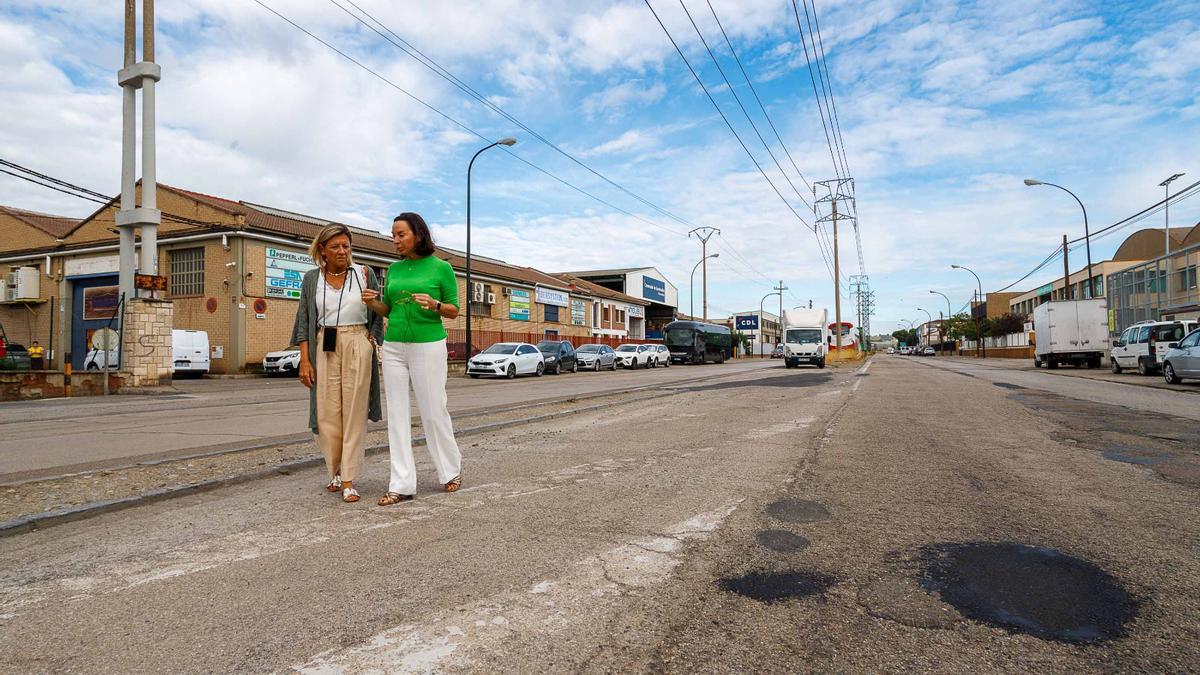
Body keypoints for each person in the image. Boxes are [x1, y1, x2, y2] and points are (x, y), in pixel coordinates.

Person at [362, 212, 462, 506]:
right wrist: (372, 302)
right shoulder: (393, 270)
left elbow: (454, 310)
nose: (395, 241)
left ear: (418, 234)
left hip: (428, 345)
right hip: (394, 347)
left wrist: (435, 304)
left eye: (400, 235)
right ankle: (402, 484)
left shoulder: (441, 268)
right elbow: (389, 310)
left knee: (433, 412)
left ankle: (450, 470)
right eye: (393, 235)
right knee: (397, 416)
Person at [291, 224, 385, 503]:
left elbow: (379, 313)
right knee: (327, 413)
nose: (342, 251)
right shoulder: (311, 280)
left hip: (357, 339)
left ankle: (348, 479)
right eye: (335, 246)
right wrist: (304, 360)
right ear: (322, 250)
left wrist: (370, 340)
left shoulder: (364, 274)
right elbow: (304, 321)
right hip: (324, 343)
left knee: (354, 411)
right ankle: (334, 468)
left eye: (346, 245)